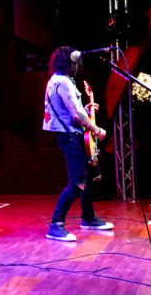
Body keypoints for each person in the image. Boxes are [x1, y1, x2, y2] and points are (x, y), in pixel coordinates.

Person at [42, 46, 112, 241]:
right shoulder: (63, 81)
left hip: (72, 133)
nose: (77, 66)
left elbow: (72, 109)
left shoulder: (56, 80)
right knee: (78, 181)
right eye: (75, 63)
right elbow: (76, 115)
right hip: (69, 135)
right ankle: (55, 225)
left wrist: (86, 108)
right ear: (69, 62)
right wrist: (96, 129)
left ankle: (88, 218)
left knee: (93, 175)